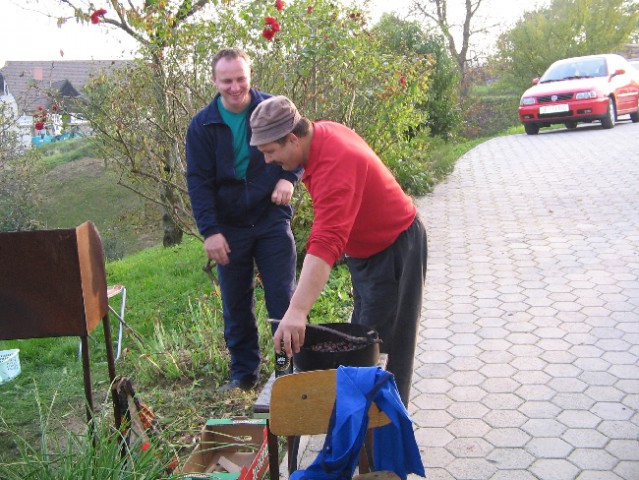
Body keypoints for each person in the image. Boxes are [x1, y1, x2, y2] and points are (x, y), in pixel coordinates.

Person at [249, 95, 427, 406]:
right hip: (366, 255)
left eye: (270, 151)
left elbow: (326, 240)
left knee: (383, 349)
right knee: (362, 336)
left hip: (394, 249)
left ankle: (384, 436)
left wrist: (298, 311)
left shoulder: (336, 161)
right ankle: (360, 425)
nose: (267, 160)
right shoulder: (319, 135)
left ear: (292, 138)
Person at [185, 49, 302, 392]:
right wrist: (210, 231)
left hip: (270, 220)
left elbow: (301, 145)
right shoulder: (202, 125)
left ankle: (286, 370)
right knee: (236, 304)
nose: (235, 87)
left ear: (250, 76)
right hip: (229, 226)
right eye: (227, 81)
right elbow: (199, 182)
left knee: (282, 298)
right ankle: (243, 375)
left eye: (240, 79)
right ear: (214, 81)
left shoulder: (273, 109)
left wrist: (289, 177)